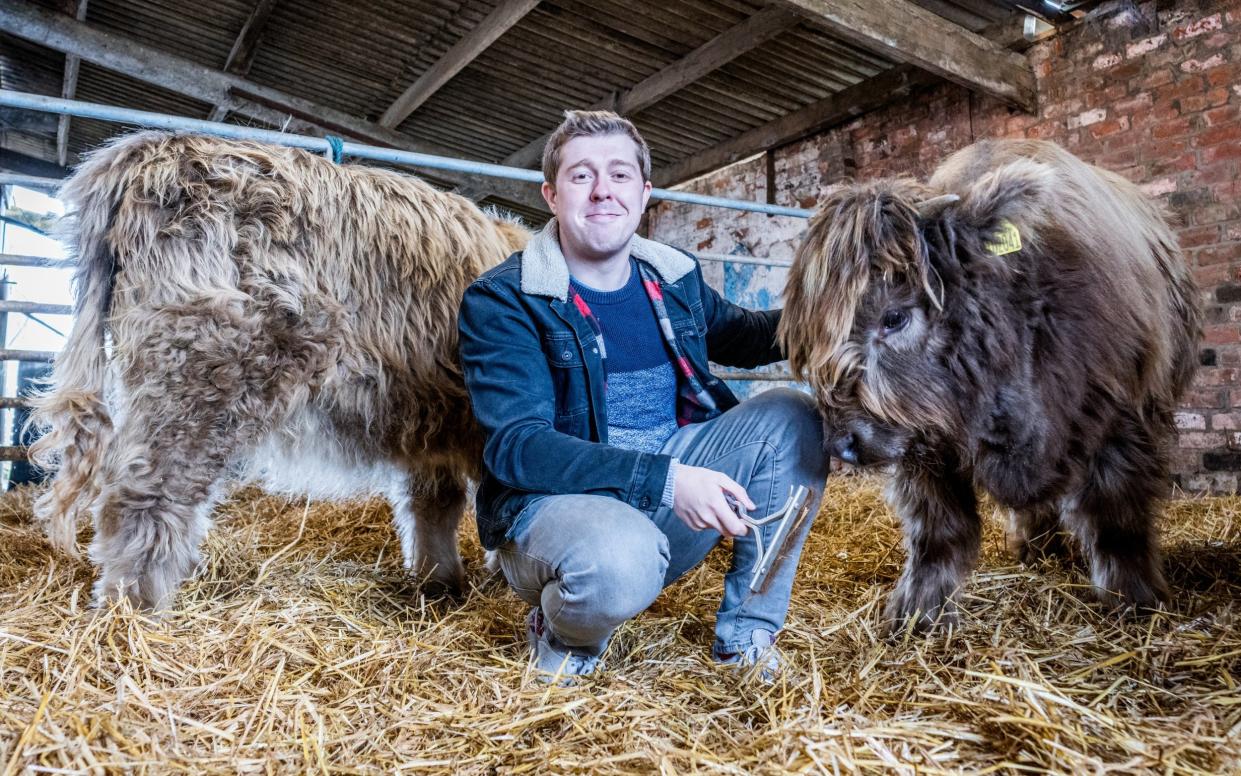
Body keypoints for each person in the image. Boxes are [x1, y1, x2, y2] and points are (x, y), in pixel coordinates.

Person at [458, 109, 827, 682]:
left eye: (620, 175)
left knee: (792, 415)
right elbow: (518, 449)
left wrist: (843, 307)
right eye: (581, 176)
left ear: (645, 191)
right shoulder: (507, 300)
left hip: (672, 498)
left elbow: (752, 337)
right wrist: (668, 479)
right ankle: (562, 633)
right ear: (551, 196)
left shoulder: (671, 279)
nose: (603, 190)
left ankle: (747, 636)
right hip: (564, 515)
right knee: (616, 562)